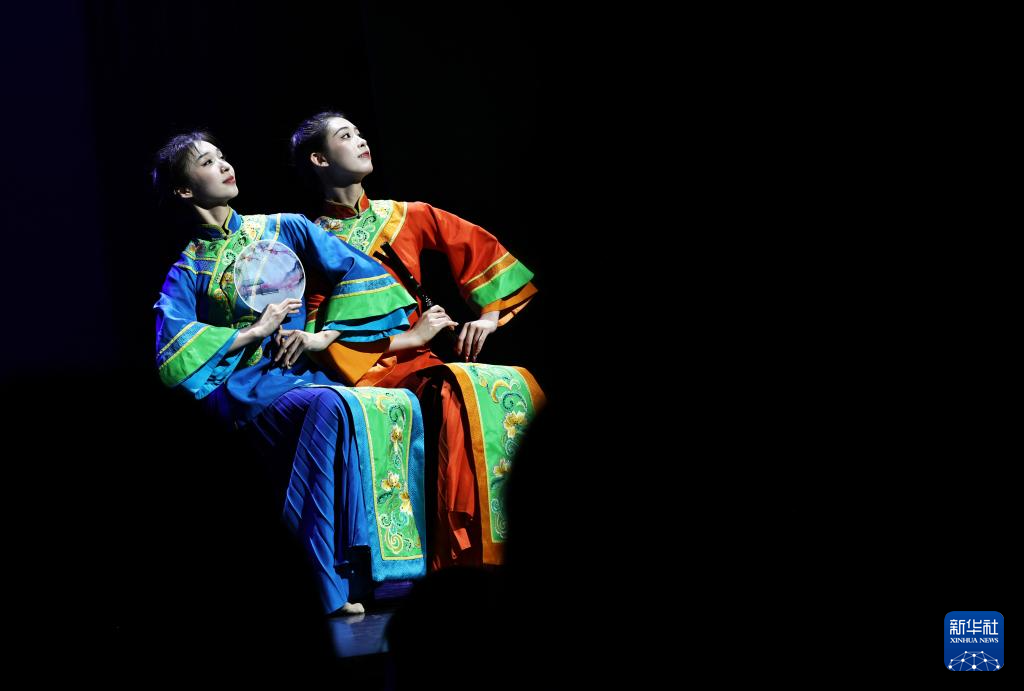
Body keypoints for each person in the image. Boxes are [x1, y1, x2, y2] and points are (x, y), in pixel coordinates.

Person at [152, 132, 450, 615]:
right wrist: (254, 332)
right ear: (185, 190)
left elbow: (360, 271)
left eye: (223, 156)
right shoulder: (187, 270)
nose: (224, 165)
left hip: (300, 375)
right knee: (332, 405)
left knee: (368, 404)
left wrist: (325, 335)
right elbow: (172, 352)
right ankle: (317, 581)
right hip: (243, 388)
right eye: (207, 162)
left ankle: (357, 573)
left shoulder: (283, 228)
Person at [290, 112, 544, 569]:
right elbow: (316, 335)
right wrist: (413, 337)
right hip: (362, 371)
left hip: (418, 365)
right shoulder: (308, 240)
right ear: (319, 159)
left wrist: (488, 318)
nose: (361, 140)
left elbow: (476, 245)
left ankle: (485, 545)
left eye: (360, 132)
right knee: (453, 390)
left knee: (503, 383)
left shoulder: (405, 215)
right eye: (345, 136)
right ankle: (458, 555)